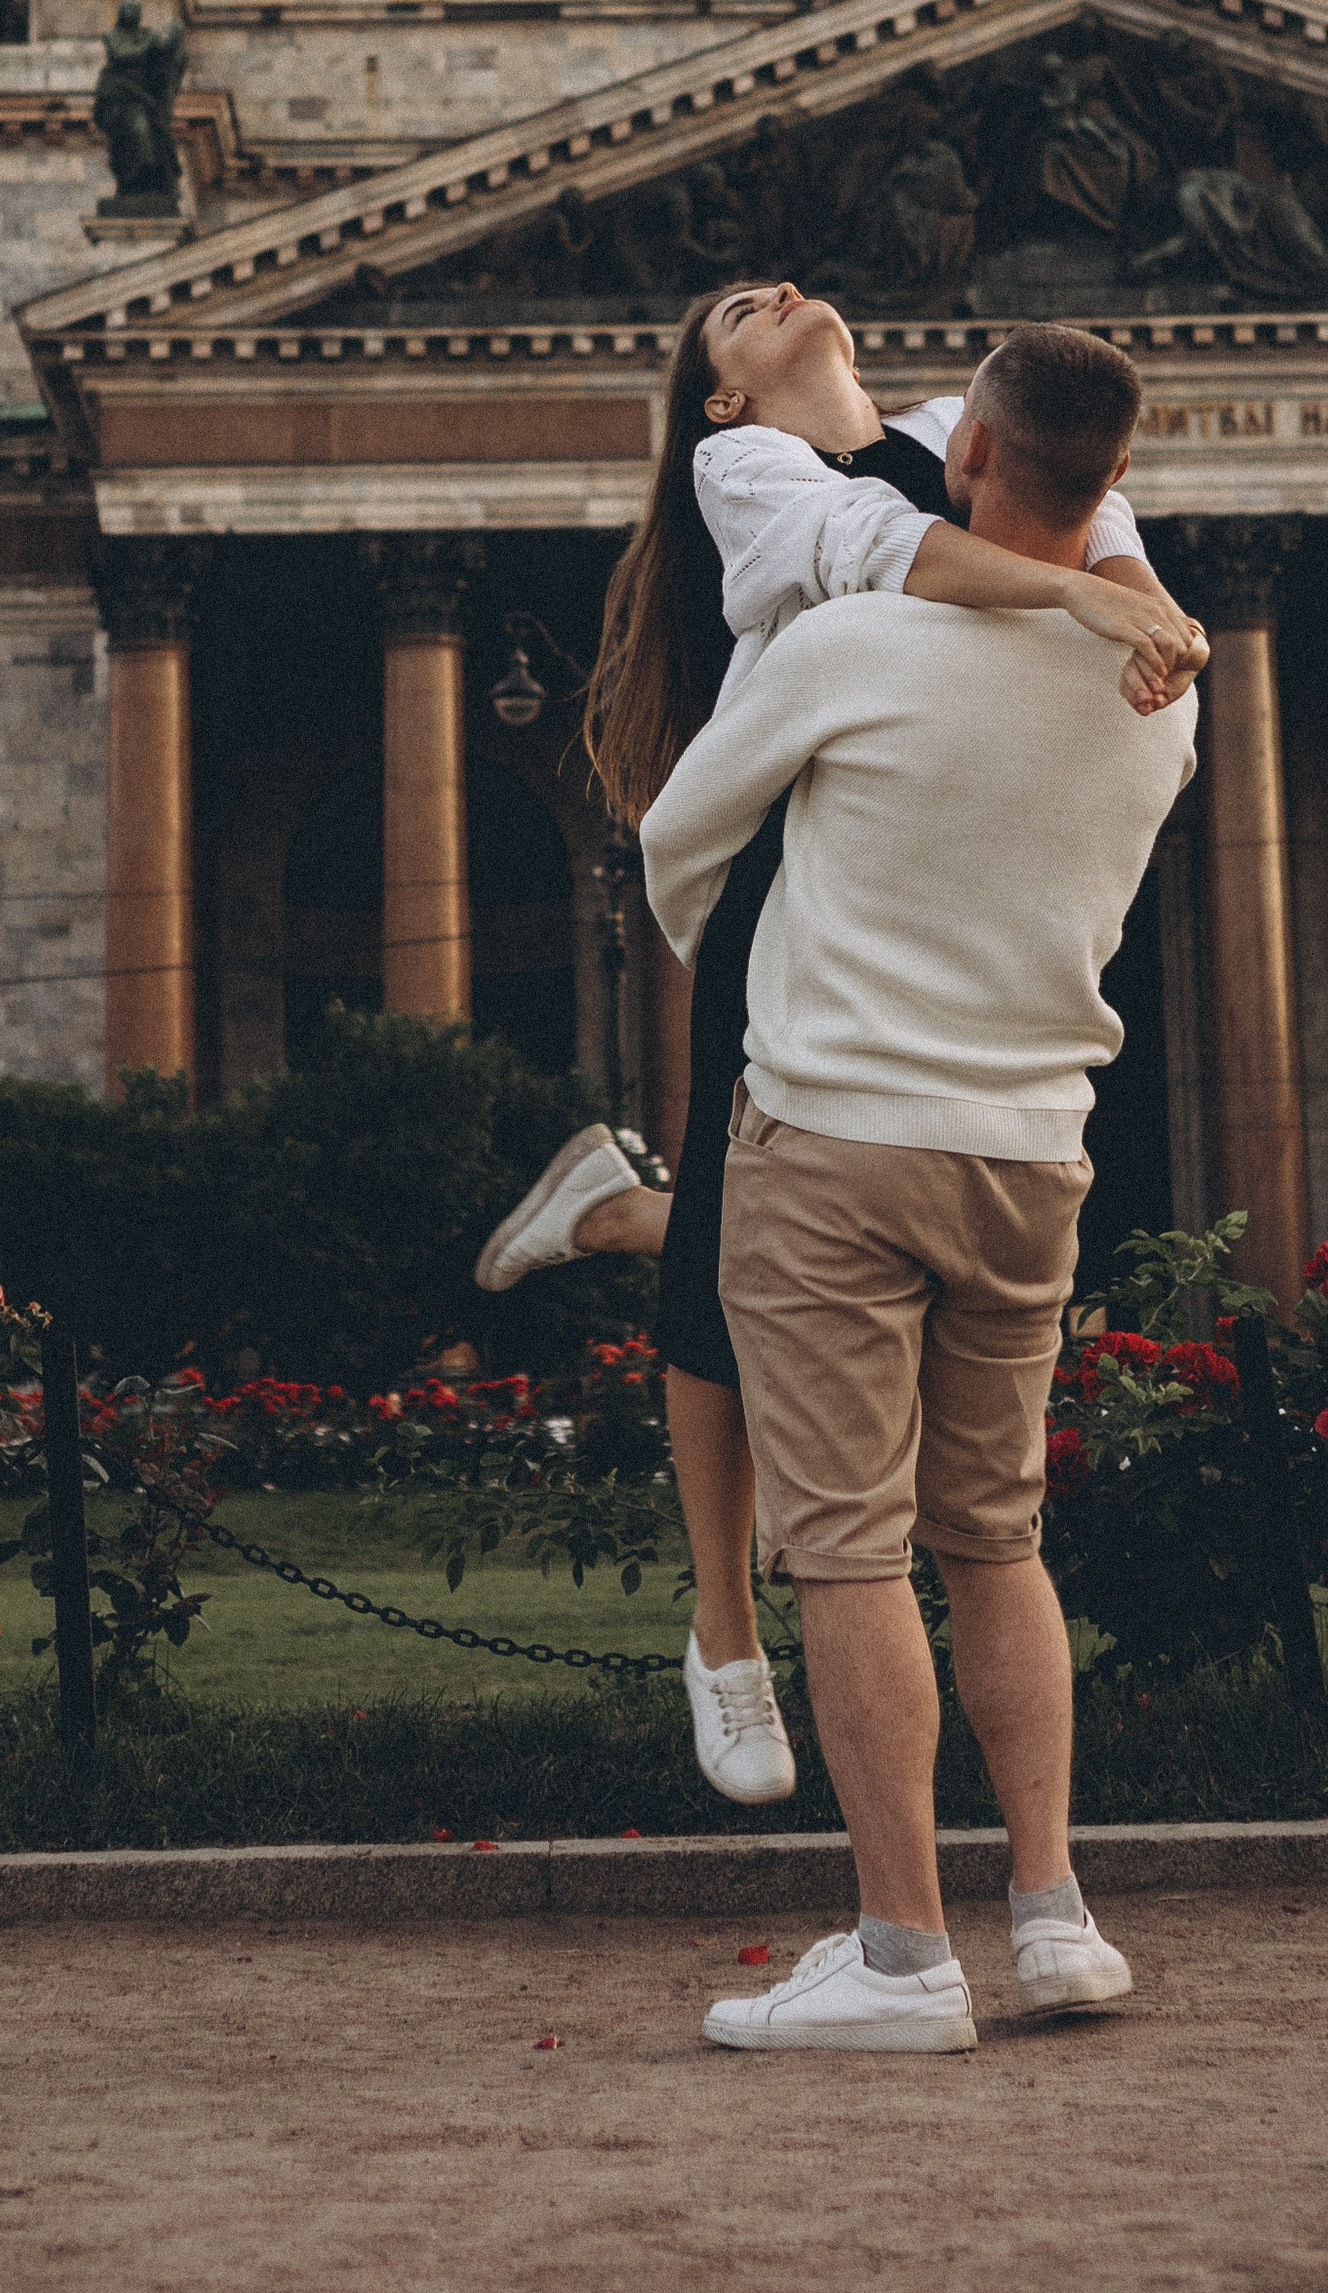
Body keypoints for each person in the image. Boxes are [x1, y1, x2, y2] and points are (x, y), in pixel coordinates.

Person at [472, 284, 1205, 1808]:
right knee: (750, 1243)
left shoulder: (954, 429)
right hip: (785, 863)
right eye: (738, 314)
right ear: (722, 395)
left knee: (788, 1231)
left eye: (788, 283)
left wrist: (1142, 602)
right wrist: (1083, 602)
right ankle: (726, 1631)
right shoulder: (738, 472)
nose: (781, 295)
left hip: (902, 838)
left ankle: (610, 1207)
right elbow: (889, 559)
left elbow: (1097, 509)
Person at [644, 323, 1197, 2051]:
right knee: (996, 1538)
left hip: (830, 1144)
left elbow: (682, 848)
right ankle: (1055, 1917)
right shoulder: (1160, 704)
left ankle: (900, 1955)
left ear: (965, 463)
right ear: (1110, 497)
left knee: (850, 1553)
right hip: (1034, 1150)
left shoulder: (851, 646)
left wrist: (794, 936)